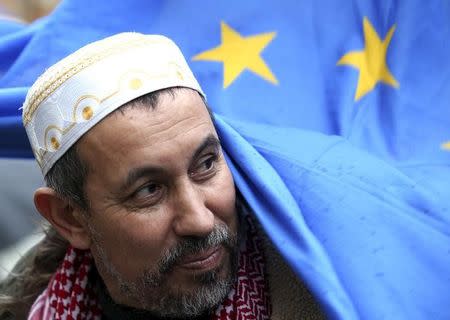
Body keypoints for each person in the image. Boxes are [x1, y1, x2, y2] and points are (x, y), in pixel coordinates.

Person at [0, 33, 323, 319]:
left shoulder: (325, 289)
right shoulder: (25, 307)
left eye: (207, 165)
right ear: (71, 217)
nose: (200, 221)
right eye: (149, 190)